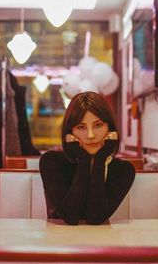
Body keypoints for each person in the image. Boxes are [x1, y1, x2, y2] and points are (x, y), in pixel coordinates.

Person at [39, 91, 135, 225]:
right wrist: (84, 160)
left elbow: (96, 217)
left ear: (110, 129)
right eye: (81, 127)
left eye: (98, 125)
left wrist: (100, 159)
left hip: (105, 242)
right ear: (70, 132)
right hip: (59, 241)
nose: (90, 135)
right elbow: (70, 216)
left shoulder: (124, 170)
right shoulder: (52, 162)